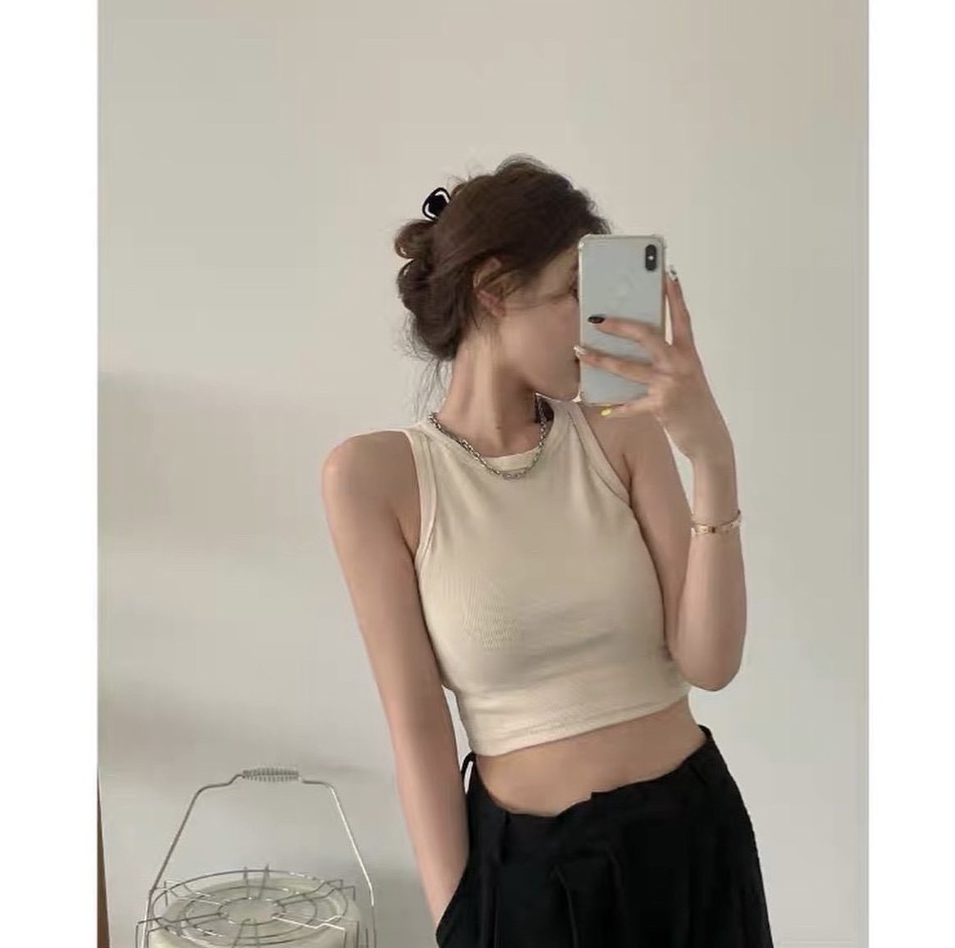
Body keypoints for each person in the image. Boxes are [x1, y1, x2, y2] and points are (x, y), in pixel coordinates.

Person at [321, 154, 773, 946]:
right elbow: (418, 728)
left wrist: (713, 457)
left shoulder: (621, 431)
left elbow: (710, 661)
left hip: (692, 848)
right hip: (531, 878)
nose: (595, 322)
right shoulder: (376, 478)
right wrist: (459, 922)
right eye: (574, 292)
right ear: (494, 288)